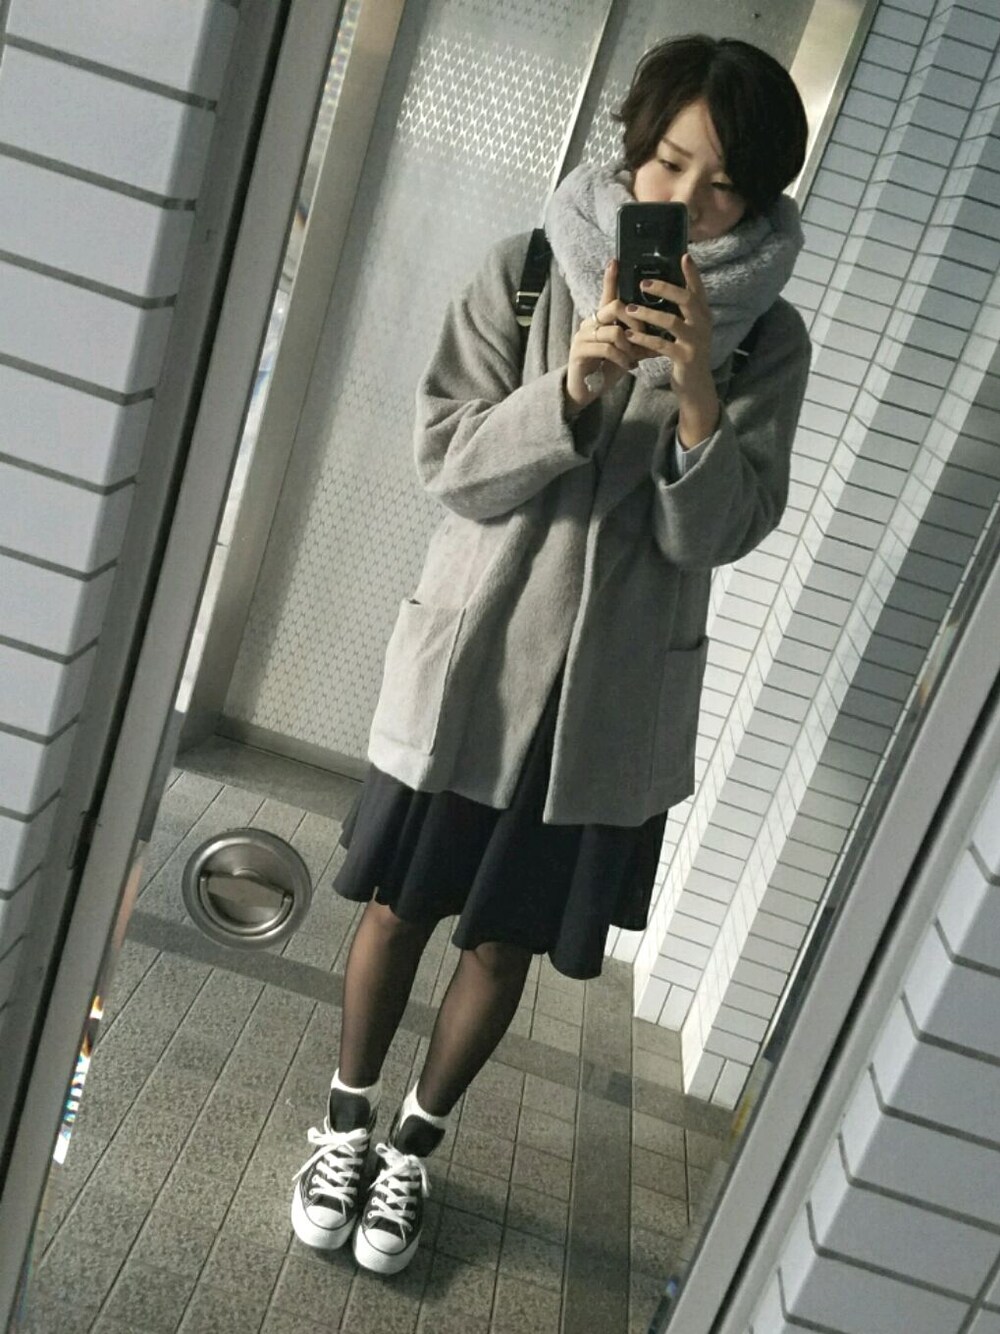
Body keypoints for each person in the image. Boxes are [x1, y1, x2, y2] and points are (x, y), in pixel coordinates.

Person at [291, 32, 811, 1274]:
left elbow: (721, 532)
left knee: (502, 940)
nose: (685, 201)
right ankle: (343, 1129)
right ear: (632, 151)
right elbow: (449, 463)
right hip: (473, 672)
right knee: (398, 908)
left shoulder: (766, 341)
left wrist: (694, 384)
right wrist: (569, 390)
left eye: (722, 184)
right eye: (668, 163)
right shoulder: (526, 271)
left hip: (604, 710)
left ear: (758, 200)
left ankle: (411, 1149)